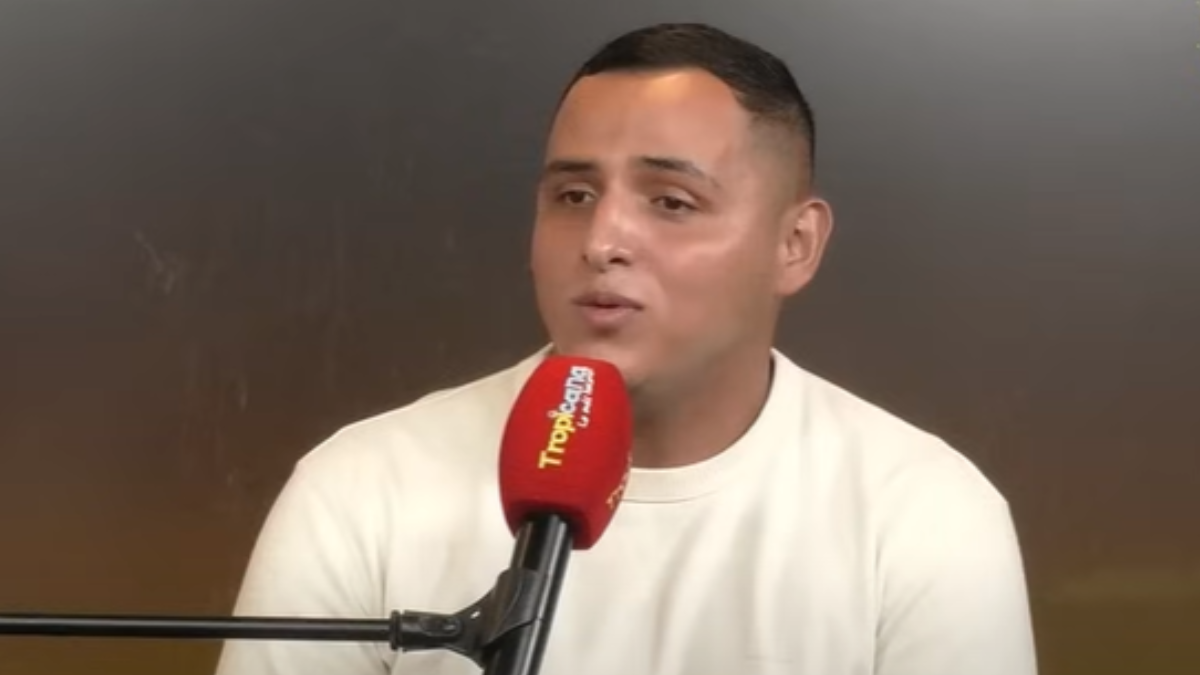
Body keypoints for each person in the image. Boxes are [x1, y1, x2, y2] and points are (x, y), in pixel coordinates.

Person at [215, 22, 1038, 675]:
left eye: (671, 201)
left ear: (795, 244)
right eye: (573, 195)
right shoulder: (362, 488)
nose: (602, 239)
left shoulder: (923, 514)